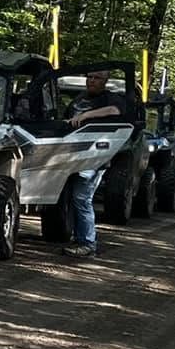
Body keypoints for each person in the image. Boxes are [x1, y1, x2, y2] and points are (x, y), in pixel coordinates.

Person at [56, 69, 138, 259]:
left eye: (96, 78)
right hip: (70, 155)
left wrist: (86, 116)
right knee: (69, 198)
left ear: (105, 81)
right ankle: (77, 238)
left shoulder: (111, 99)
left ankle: (87, 243)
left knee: (82, 198)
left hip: (94, 157)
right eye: (89, 77)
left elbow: (115, 111)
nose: (91, 81)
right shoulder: (78, 99)